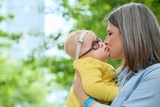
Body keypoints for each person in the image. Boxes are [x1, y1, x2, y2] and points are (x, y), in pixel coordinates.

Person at [72, 2, 160, 107]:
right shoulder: (118, 74)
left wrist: (85, 99)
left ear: (129, 33)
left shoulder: (155, 74)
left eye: (110, 34)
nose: (105, 41)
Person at [64, 30, 120, 107]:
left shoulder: (97, 65)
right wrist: (118, 92)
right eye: (94, 44)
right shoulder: (87, 64)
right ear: (82, 57)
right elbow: (94, 88)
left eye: (98, 40)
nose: (101, 44)